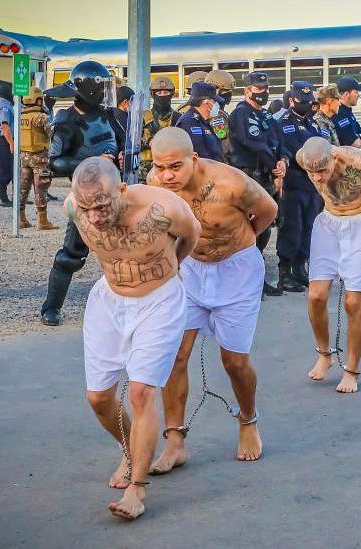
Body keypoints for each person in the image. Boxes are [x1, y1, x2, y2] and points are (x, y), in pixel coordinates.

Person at [67, 156, 200, 521]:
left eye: (101, 206)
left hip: (159, 301)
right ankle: (131, 449)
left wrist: (170, 269)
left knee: (141, 391)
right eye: (85, 208)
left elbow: (191, 236)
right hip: (109, 299)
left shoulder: (164, 207)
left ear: (121, 190)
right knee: (98, 398)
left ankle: (137, 489)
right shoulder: (73, 208)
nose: (93, 216)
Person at [144, 126, 277, 470]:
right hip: (189, 270)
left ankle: (248, 421)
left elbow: (267, 210)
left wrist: (239, 242)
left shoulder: (230, 183)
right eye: (160, 167)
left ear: (194, 158)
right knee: (174, 356)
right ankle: (175, 442)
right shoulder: (155, 185)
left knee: (234, 362)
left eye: (175, 166)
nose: (166, 175)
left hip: (237, 271)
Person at [298, 137, 361, 393]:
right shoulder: (304, 158)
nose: (317, 178)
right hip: (329, 223)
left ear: (334, 158)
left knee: (353, 301)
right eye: (312, 172)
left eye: (322, 171)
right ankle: (325, 354)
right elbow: (315, 177)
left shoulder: (357, 161)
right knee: (316, 296)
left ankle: (352, 369)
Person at [40, 60, 125, 326]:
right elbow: (55, 162)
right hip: (86, 196)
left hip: (116, 192)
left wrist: (121, 157)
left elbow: (122, 145)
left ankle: (127, 308)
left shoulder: (109, 115)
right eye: (99, 86)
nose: (103, 91)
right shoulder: (67, 119)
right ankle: (50, 308)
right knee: (72, 254)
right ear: (87, 88)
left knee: (125, 251)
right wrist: (94, 163)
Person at [229, 71, 289, 296]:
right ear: (247, 91)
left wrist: (283, 161)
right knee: (249, 231)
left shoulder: (266, 115)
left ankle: (258, 281)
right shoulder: (241, 115)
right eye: (258, 89)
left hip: (267, 177)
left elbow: (279, 140)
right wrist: (274, 166)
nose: (263, 93)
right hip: (250, 177)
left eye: (265, 89)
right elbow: (254, 143)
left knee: (264, 231)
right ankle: (246, 284)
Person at [276, 81, 322, 293]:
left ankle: (299, 268)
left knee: (308, 226)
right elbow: (292, 149)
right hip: (294, 182)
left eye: (308, 101)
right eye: (302, 101)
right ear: (292, 100)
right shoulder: (284, 122)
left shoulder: (312, 123)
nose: (306, 105)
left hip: (312, 183)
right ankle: (285, 273)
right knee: (291, 228)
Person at [17, 86, 57, 230]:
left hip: (24, 156)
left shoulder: (20, 115)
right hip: (39, 157)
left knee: (23, 188)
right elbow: (51, 132)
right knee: (41, 187)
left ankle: (21, 219)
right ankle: (42, 221)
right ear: (38, 99)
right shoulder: (42, 117)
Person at [137, 77, 180, 183]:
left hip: (171, 173)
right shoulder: (142, 117)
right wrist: (148, 141)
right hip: (146, 173)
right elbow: (132, 143)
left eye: (166, 92)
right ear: (152, 94)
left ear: (171, 93)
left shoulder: (178, 118)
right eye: (159, 93)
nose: (162, 95)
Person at [175, 82, 224, 162]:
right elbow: (200, 155)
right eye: (214, 101)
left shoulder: (204, 122)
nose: (217, 104)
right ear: (206, 102)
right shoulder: (189, 122)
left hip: (214, 171)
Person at [205, 69, 236, 162]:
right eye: (225, 91)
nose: (229, 94)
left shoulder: (215, 111)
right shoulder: (216, 115)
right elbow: (225, 145)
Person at [0, 82, 14, 206]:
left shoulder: (2, 104)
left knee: (2, 170)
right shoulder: (4, 106)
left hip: (4, 140)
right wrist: (11, 142)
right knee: (6, 171)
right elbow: (5, 126)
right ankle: (3, 199)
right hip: (5, 140)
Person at [332, 76, 361, 147]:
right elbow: (355, 144)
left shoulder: (347, 111)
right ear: (346, 94)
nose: (358, 95)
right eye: (356, 92)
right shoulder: (339, 113)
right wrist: (360, 138)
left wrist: (359, 137)